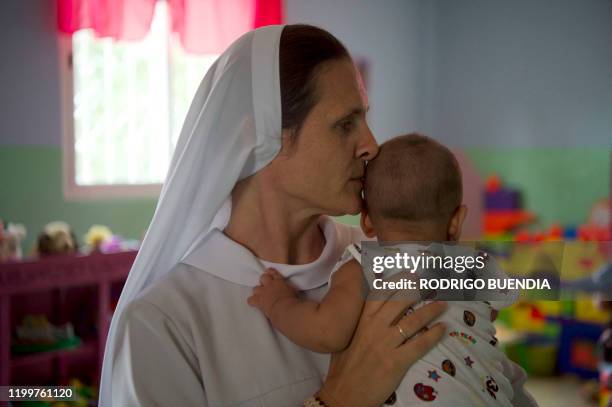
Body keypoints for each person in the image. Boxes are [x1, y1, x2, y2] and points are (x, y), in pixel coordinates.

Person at [99, 25, 448, 406]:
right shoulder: (163, 322)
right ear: (260, 135)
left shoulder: (388, 256)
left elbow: (495, 371)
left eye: (364, 119)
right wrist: (340, 399)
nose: (371, 145)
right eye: (345, 124)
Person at [249, 134, 538, 406]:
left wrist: (278, 303)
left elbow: (327, 333)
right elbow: (500, 304)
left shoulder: (362, 266)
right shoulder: (474, 264)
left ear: (367, 222)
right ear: (456, 221)